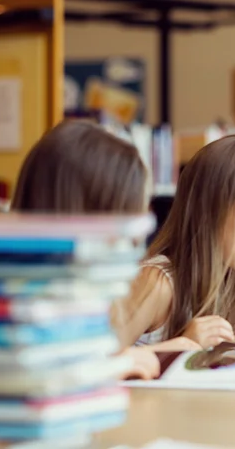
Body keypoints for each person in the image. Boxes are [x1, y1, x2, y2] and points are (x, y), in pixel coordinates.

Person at [12, 119, 199, 380]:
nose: (136, 236)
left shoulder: (84, 290)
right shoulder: (6, 296)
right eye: (127, 220)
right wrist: (119, 363)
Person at [114, 135, 235, 350]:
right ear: (214, 211)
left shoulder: (229, 279)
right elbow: (92, 365)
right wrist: (183, 346)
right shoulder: (157, 283)